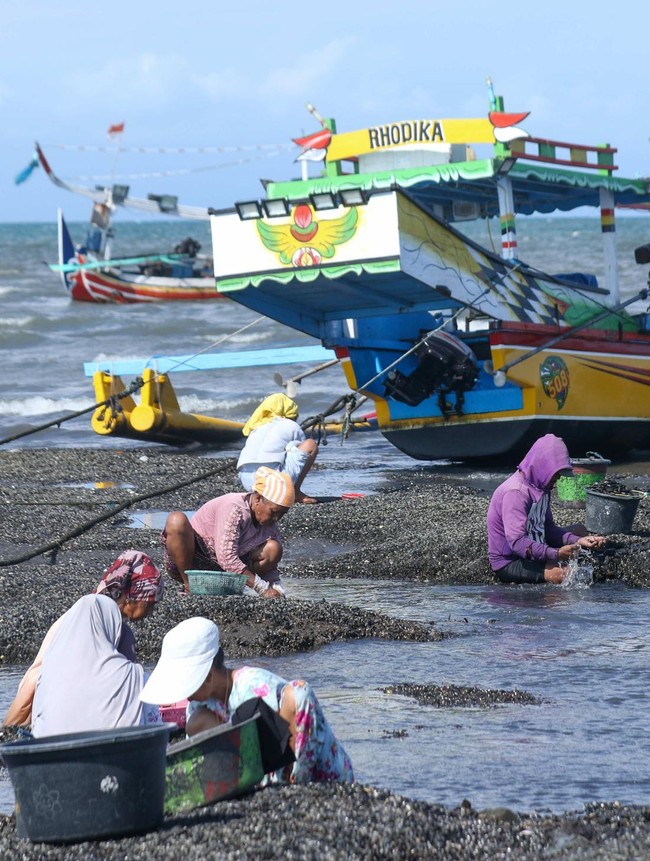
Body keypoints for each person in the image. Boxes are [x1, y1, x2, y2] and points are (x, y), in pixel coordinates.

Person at [140, 617, 354, 784]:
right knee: (196, 720)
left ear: (206, 675)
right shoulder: (200, 704)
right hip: (253, 764)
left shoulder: (253, 686)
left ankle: (290, 784)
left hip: (309, 767)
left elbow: (277, 743)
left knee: (297, 692)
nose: (184, 694)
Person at [3, 550, 163, 728]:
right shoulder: (117, 631)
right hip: (42, 700)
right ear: (128, 596)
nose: (150, 612)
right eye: (148, 604)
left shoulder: (86, 611)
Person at [31, 593, 156, 737]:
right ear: (113, 626)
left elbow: (38, 724)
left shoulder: (47, 671)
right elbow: (156, 732)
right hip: (118, 753)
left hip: (50, 753)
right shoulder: (134, 676)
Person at [487, 434, 607, 585]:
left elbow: (548, 528)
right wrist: (556, 554)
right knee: (564, 574)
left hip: (535, 542)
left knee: (580, 530)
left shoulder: (541, 487)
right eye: (556, 474)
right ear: (543, 467)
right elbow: (517, 543)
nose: (557, 479)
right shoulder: (516, 493)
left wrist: (579, 541)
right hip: (511, 560)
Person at [162, 465, 294, 597]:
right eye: (274, 512)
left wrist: (278, 588)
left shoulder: (269, 523)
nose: (277, 518)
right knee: (176, 520)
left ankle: (231, 586)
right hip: (194, 561)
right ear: (258, 499)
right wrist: (262, 588)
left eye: (282, 514)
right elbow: (227, 558)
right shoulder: (234, 507)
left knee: (273, 548)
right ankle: (190, 587)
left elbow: (271, 568)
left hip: (227, 575)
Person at [237, 393, 318, 504]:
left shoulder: (258, 426)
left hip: (247, 481)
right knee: (310, 444)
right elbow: (302, 452)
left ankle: (260, 492)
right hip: (272, 482)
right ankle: (296, 492)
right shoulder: (291, 425)